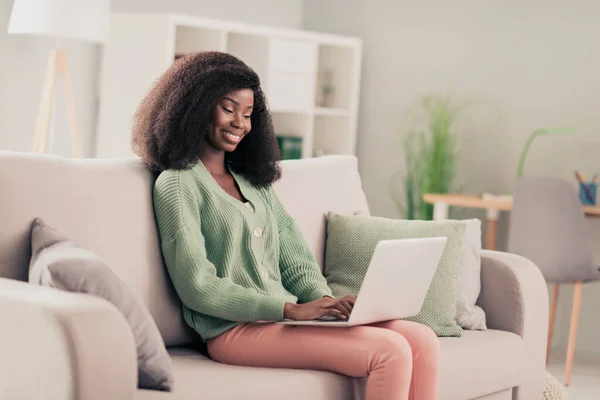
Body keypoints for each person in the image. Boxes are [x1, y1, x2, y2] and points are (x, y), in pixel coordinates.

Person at [132, 51, 439, 400]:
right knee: (390, 351)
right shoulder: (177, 183)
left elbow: (296, 262)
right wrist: (288, 309)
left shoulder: (253, 182)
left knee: (422, 339)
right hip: (233, 332)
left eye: (247, 115)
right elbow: (197, 286)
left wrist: (325, 302)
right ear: (195, 107)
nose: (239, 123)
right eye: (228, 109)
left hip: (283, 321)